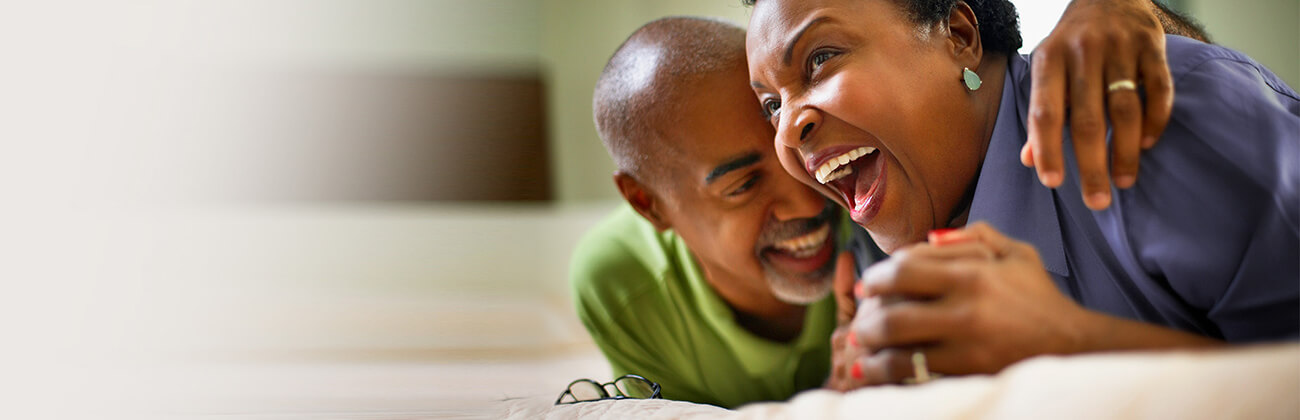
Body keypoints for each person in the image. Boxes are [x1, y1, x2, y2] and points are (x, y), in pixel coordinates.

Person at [573, 0, 1210, 407]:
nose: (805, 190)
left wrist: (1129, 11)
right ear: (650, 208)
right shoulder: (624, 289)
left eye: (820, 67)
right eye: (742, 184)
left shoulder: (886, 205)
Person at [743, 0, 1299, 390]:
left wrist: (1068, 343)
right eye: (771, 104)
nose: (787, 131)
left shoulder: (1136, 113)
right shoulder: (900, 246)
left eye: (820, 59)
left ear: (959, 36)